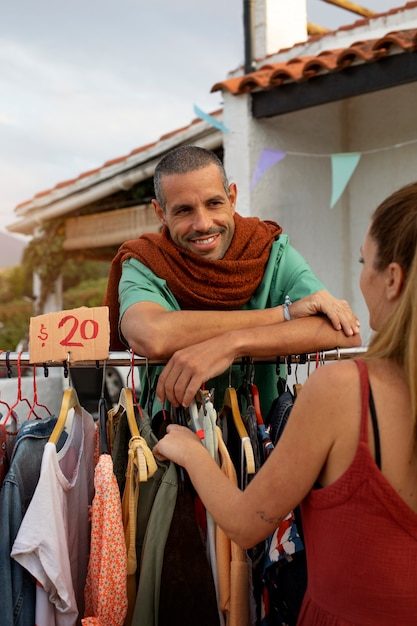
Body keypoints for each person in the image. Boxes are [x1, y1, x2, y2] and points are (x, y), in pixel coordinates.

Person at [153, 181, 417, 624]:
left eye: (362, 262)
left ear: (392, 279)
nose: (360, 278)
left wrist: (191, 451)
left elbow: (246, 521)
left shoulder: (345, 392)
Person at [104, 145, 361, 415]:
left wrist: (232, 345)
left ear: (232, 197)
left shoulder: (269, 252)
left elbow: (343, 332)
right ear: (160, 213)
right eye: (184, 211)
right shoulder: (146, 261)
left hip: (266, 440)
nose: (203, 224)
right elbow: (151, 334)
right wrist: (284, 315)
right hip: (166, 440)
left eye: (214, 203)